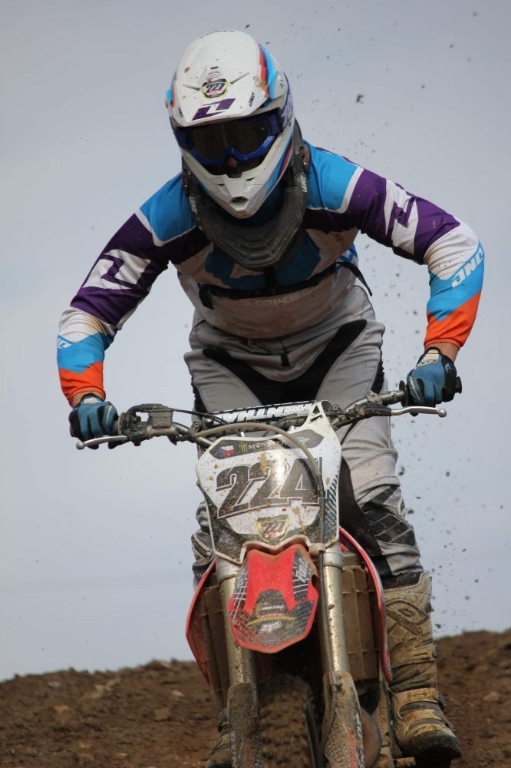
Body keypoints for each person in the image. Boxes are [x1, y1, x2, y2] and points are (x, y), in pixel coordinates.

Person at [57, 29, 483, 766]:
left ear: (280, 117)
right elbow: (85, 316)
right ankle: (239, 710)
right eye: (210, 141)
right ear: (182, 140)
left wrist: (439, 352)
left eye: (245, 135)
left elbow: (454, 244)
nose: (230, 160)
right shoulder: (164, 217)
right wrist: (87, 394)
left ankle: (416, 691)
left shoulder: (336, 184)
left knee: (373, 498)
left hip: (340, 350)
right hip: (232, 366)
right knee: (223, 530)